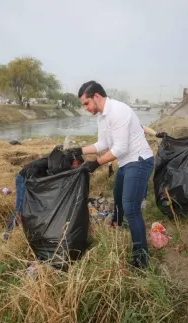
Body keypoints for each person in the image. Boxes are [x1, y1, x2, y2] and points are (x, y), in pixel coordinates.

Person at [71, 81, 155, 268]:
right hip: (126, 162)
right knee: (118, 197)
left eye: (86, 103)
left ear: (97, 97)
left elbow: (121, 148)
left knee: (130, 207)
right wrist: (79, 150)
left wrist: (95, 163)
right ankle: (118, 226)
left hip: (140, 160)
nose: (85, 108)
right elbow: (102, 144)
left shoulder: (118, 111)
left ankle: (141, 260)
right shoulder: (102, 117)